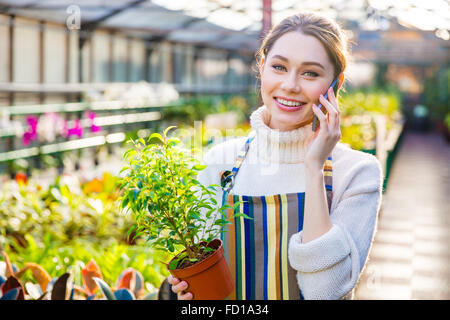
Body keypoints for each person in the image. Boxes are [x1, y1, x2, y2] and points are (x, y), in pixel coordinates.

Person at [168, 11, 383, 300]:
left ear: (336, 84)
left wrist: (314, 166)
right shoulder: (219, 161)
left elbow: (325, 293)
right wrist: (182, 293)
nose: (291, 85)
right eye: (279, 67)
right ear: (262, 66)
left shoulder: (357, 172)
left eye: (310, 73)